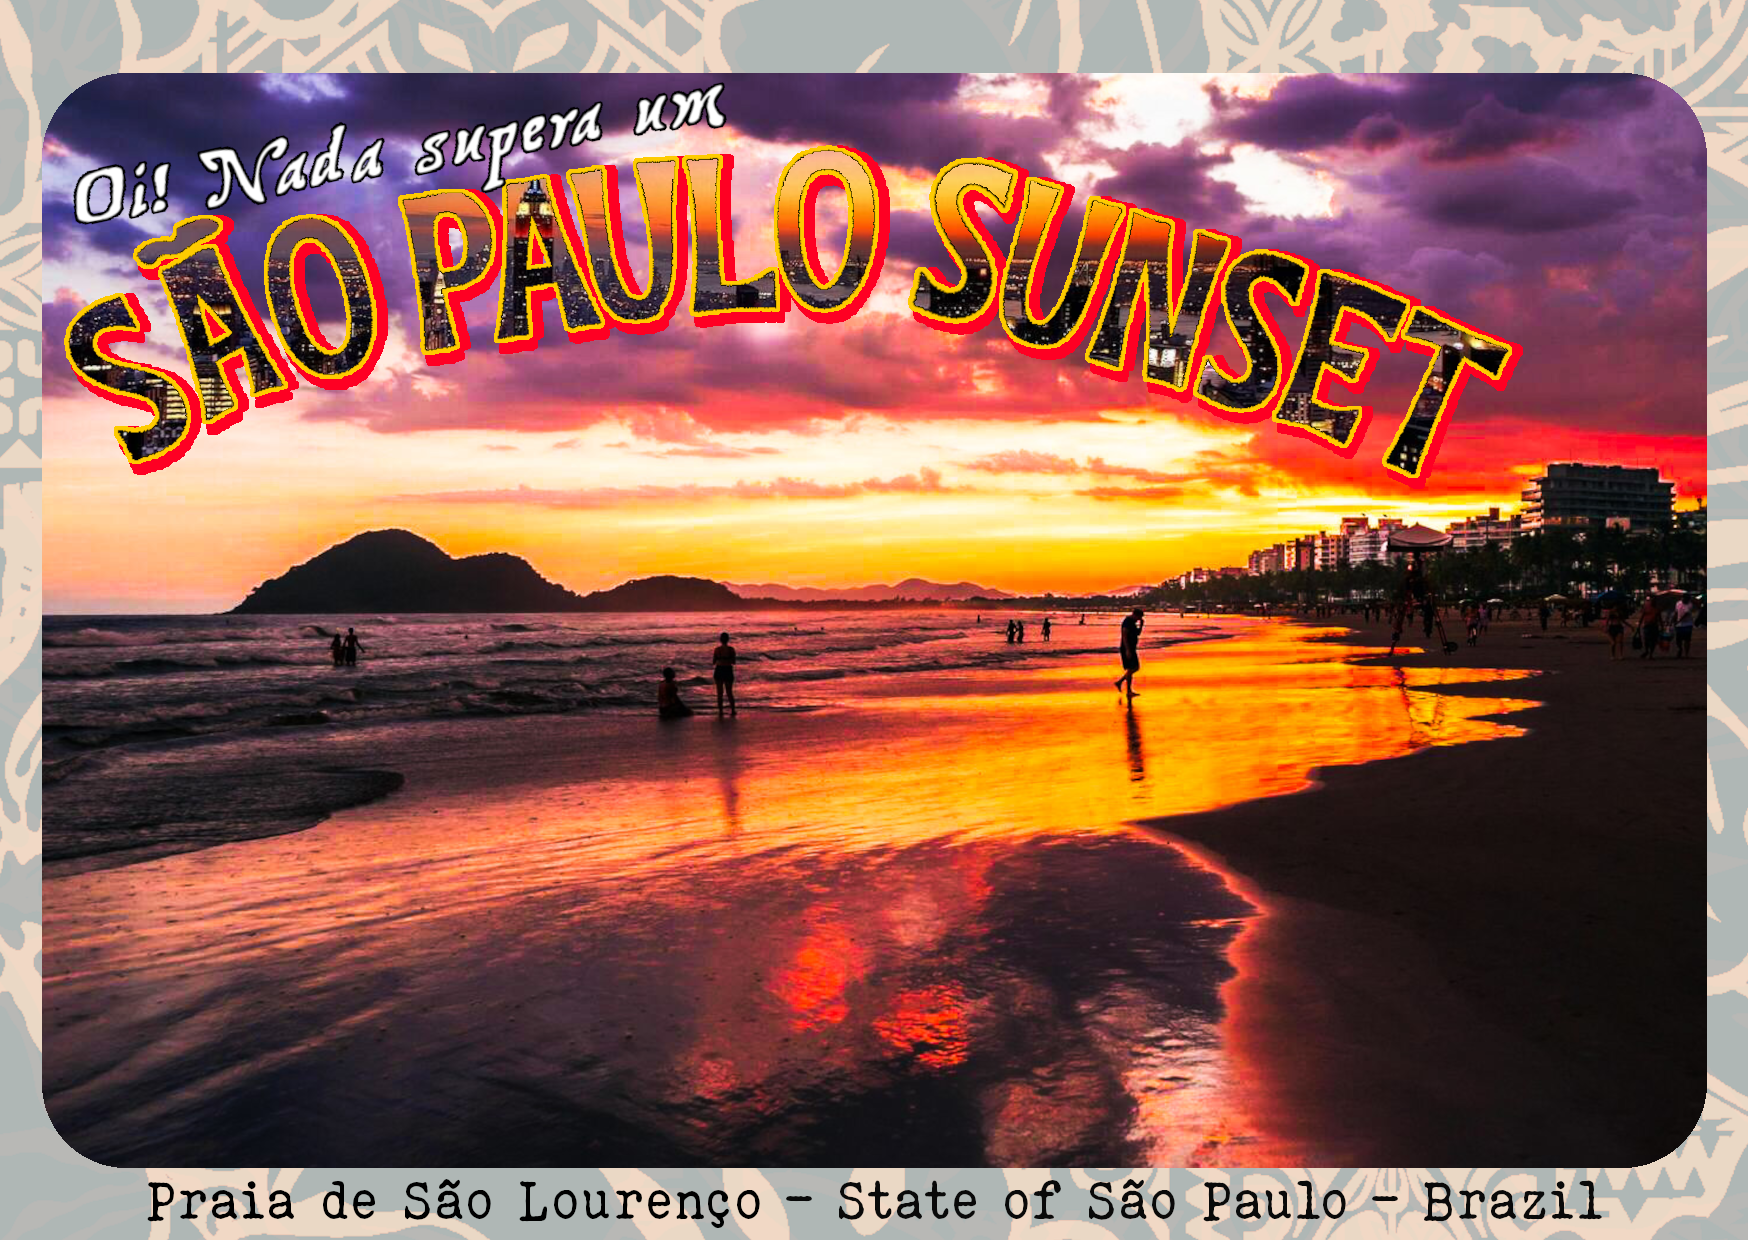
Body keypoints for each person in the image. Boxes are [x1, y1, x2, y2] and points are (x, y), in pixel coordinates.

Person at [1115, 607, 1143, 698]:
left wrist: (1141, 625)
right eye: (1139, 617)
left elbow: (1137, 633)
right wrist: (1127, 650)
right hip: (1127, 648)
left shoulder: (1133, 622)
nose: (1139, 619)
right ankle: (1122, 684)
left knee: (1132, 669)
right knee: (1134, 668)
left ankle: (1127, 689)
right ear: (1135, 615)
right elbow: (1124, 635)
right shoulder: (1127, 621)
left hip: (1132, 648)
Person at [712, 631, 737, 716]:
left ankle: (720, 712)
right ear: (728, 640)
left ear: (720, 640)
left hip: (719, 670)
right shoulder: (731, 649)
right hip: (728, 670)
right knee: (729, 692)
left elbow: (713, 662)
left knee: (719, 693)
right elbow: (733, 662)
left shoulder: (717, 650)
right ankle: (733, 710)